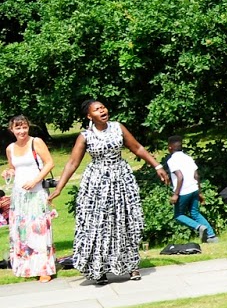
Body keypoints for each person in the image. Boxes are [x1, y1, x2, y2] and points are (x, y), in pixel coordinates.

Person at [49, 100, 169, 284]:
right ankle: (99, 270)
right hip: (97, 184)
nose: (102, 110)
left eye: (103, 107)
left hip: (121, 180)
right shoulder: (85, 136)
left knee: (125, 221)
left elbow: (137, 147)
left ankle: (131, 266)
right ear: (89, 116)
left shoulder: (118, 128)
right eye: (97, 109)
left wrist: (157, 166)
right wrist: (59, 187)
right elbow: (72, 163)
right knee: (98, 226)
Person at [6, 115, 57, 281]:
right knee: (22, 232)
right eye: (18, 128)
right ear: (11, 130)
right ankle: (27, 266)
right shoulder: (10, 148)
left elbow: (49, 163)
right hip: (19, 196)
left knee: (39, 230)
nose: (22, 131)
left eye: (24, 127)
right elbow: (13, 168)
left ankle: (44, 269)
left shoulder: (36, 142)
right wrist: (8, 172)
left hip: (37, 193)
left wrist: (35, 180)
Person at [165, 135, 216, 243]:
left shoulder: (172, 160)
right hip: (194, 189)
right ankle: (212, 236)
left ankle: (199, 227)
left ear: (170, 147)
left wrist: (176, 194)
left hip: (183, 192)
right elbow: (196, 175)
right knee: (195, 213)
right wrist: (200, 192)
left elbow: (180, 177)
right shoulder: (188, 158)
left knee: (179, 215)